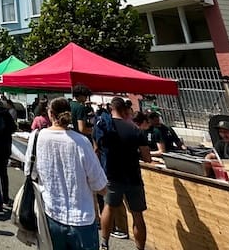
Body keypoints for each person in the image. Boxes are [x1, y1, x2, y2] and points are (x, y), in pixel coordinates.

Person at [33, 97, 108, 250]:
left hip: (51, 213)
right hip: (82, 217)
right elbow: (100, 185)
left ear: (50, 113)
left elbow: (34, 172)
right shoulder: (81, 142)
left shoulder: (39, 137)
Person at [99, 97, 151, 250]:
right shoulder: (135, 129)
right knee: (137, 214)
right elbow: (147, 158)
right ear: (124, 110)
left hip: (112, 174)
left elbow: (97, 149)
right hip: (133, 176)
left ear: (111, 109)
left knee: (109, 207)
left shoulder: (104, 127)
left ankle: (104, 244)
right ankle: (140, 248)